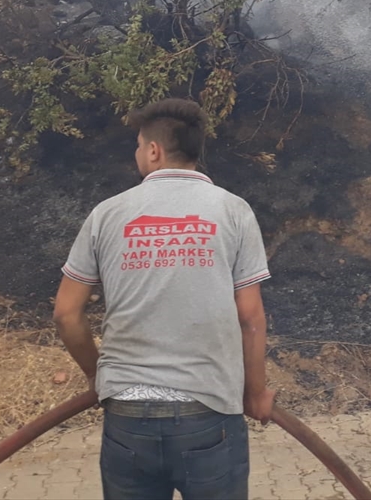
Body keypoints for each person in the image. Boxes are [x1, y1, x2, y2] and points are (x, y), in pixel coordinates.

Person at [53, 98, 275, 500]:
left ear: (153, 151)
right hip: (209, 415)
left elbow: (67, 315)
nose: (138, 153)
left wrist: (97, 375)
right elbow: (250, 318)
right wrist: (256, 393)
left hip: (127, 418)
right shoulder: (233, 211)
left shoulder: (106, 214)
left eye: (138, 146)